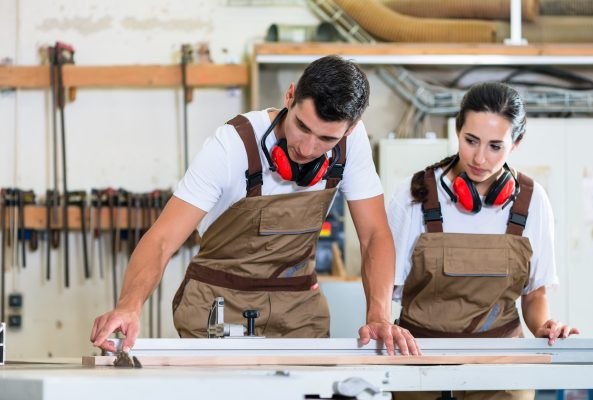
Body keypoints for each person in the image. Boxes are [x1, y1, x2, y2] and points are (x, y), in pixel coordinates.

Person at [91, 55, 419, 356]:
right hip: (218, 308)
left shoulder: (352, 145)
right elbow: (162, 239)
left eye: (326, 139)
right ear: (290, 96)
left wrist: (378, 314)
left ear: (352, 128)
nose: (307, 148)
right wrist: (128, 305)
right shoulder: (232, 146)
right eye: (302, 126)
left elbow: (375, 234)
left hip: (298, 313)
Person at [387, 82, 579, 400]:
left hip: (500, 356)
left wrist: (544, 325)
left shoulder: (531, 200)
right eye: (471, 141)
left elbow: (534, 294)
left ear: (515, 143)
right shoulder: (414, 193)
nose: (479, 158)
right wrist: (380, 320)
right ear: (457, 129)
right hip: (419, 356)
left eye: (495, 146)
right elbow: (383, 283)